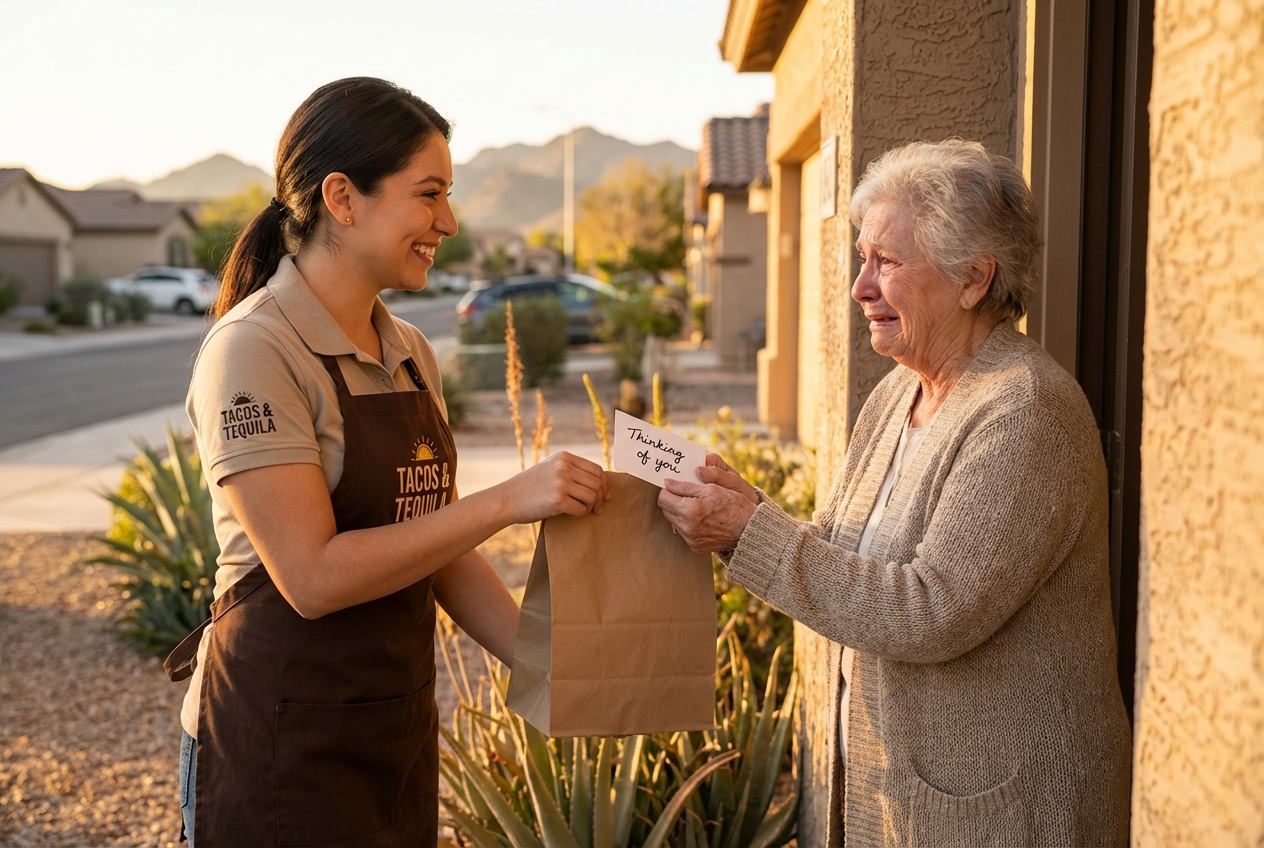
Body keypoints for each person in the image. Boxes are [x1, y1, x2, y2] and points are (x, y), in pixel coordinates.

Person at [167, 77, 609, 847]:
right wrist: (508, 501)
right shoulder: (254, 349)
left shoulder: (409, 352)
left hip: (391, 730)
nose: (449, 222)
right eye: (429, 194)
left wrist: (555, 667)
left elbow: (440, 551)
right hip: (277, 741)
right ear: (342, 198)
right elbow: (312, 578)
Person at [658, 139, 1131, 846]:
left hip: (1005, 813)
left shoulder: (1024, 411)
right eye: (862, 258)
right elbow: (843, 554)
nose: (860, 287)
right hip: (908, 799)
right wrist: (745, 510)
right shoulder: (896, 393)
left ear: (973, 279)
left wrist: (749, 533)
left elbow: (931, 610)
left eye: (887, 262)